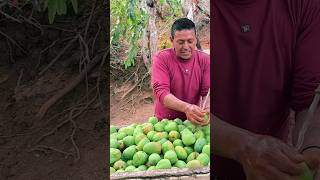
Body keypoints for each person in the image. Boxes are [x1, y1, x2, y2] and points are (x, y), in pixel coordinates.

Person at [212, 0, 320, 179]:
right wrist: (243, 146)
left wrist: (313, 150)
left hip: (272, 170)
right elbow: (188, 108)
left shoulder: (303, 6)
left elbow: (311, 97)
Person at [151, 18, 210, 125]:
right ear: (171, 40)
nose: (186, 47)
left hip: (191, 124)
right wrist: (187, 108)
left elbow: (207, 92)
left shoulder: (205, 60)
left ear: (196, 40)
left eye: (190, 41)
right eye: (180, 42)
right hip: (164, 124)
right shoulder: (161, 58)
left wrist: (208, 109)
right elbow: (161, 92)